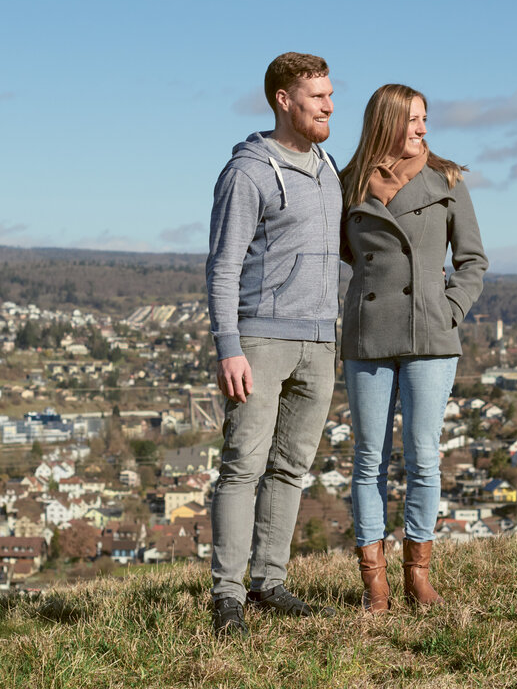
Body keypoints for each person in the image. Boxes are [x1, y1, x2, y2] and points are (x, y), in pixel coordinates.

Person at [205, 52, 341, 636]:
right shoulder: (248, 172)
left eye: (332, 95)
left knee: (289, 469)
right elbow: (222, 267)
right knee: (242, 467)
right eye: (318, 97)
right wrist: (228, 345)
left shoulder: (327, 165)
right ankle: (227, 596)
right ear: (285, 100)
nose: (330, 106)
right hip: (260, 338)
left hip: (321, 340)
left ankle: (270, 582)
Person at [339, 84, 488, 614]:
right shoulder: (350, 181)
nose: (422, 129)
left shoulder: (446, 180)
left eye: (425, 119)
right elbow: (336, 255)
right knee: (368, 460)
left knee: (424, 458)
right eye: (413, 120)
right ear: (388, 122)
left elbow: (473, 260)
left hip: (430, 334)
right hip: (368, 334)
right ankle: (373, 582)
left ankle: (417, 575)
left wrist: (449, 309)